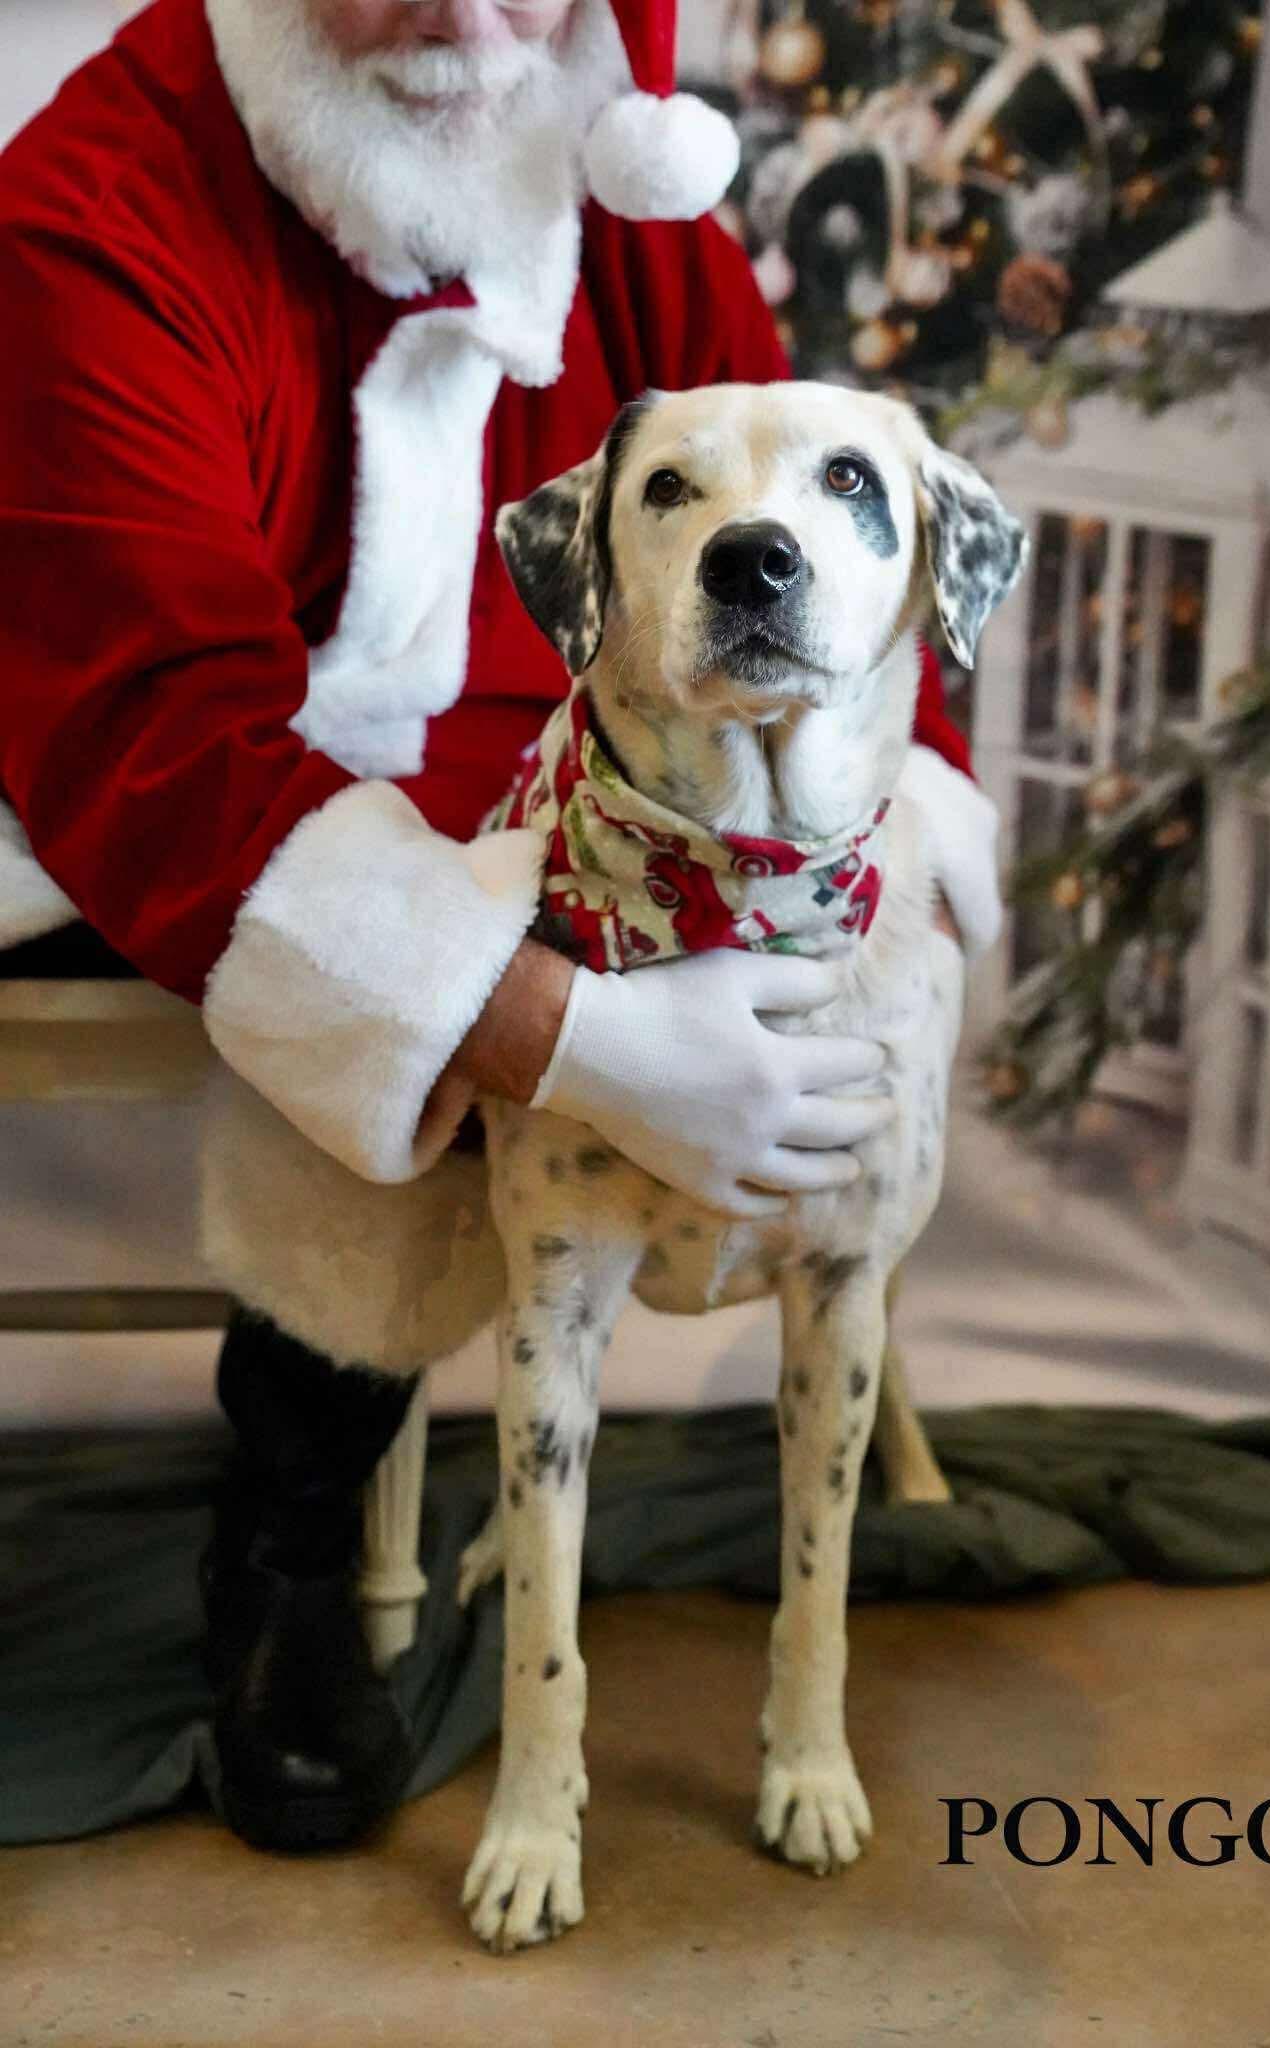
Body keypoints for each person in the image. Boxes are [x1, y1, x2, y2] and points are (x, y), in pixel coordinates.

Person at [0, 0, 1003, 1852]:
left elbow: (851, 582)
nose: (466, 12)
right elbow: (146, 726)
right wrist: (558, 1030)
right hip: (184, 779)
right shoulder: (94, 205)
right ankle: (292, 1551)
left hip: (577, 775)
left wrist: (906, 858)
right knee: (355, 1014)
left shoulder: (625, 184)